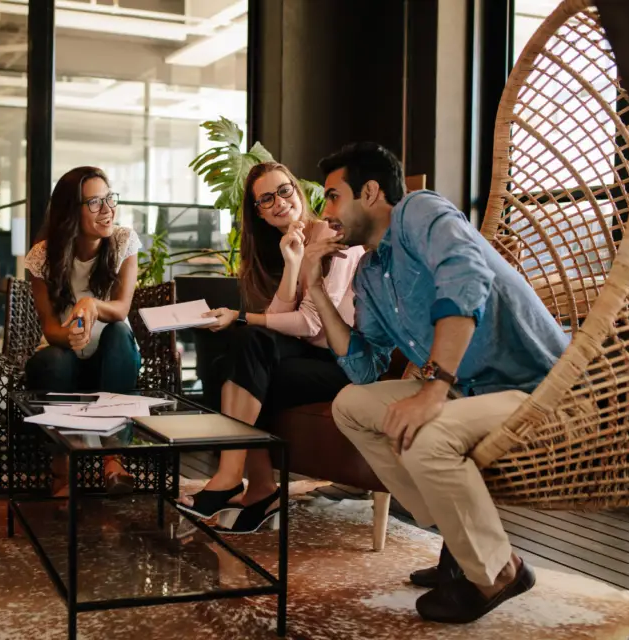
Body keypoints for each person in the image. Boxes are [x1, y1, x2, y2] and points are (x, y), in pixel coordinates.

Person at [304, 142, 570, 623]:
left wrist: (433, 388)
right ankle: (459, 539)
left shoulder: (417, 212)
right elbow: (364, 367)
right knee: (351, 404)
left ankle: (499, 573)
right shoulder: (371, 270)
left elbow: (465, 276)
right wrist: (315, 287)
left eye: (332, 197)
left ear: (369, 191)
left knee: (429, 439)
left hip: (537, 388)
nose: (326, 213)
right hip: (469, 391)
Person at [177, 161, 366, 533]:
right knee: (235, 359)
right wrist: (293, 263)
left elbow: (311, 323)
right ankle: (260, 488)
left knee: (246, 350)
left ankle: (234, 478)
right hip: (308, 355)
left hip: (344, 360)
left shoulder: (331, 236)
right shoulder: (287, 246)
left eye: (284, 191)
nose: (279, 202)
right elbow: (281, 322)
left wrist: (242, 316)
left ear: (298, 191)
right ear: (259, 214)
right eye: (266, 199)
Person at [23, 166, 142, 494]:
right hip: (65, 357)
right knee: (55, 360)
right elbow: (49, 327)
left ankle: (112, 458)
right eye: (95, 203)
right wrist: (72, 336)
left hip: (113, 360)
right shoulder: (43, 256)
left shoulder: (122, 241)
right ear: (70, 212)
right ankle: (63, 465)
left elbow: (121, 309)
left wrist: (92, 306)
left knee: (118, 333)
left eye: (109, 199)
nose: (107, 210)